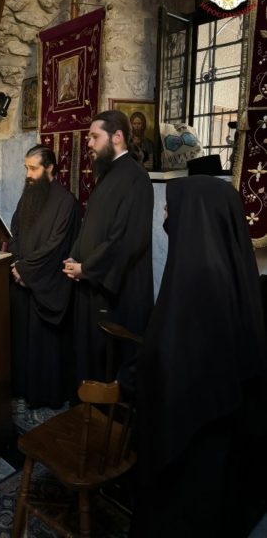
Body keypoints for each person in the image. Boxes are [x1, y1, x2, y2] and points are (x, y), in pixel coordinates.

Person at [132, 176, 267, 537]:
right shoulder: (225, 265)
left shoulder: (199, 277)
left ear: (195, 214)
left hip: (192, 438)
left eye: (171, 206)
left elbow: (176, 365)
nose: (165, 211)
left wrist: (137, 371)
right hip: (222, 435)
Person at [63, 109, 153, 393]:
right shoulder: (108, 174)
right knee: (88, 353)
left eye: (94, 137)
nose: (88, 143)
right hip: (92, 280)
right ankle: (87, 409)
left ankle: (105, 417)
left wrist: (87, 268)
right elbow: (90, 224)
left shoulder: (136, 178)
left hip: (116, 288)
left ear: (117, 137)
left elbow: (126, 239)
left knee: (108, 360)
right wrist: (75, 256)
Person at [9, 145, 81, 409]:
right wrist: (17, 263)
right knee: (21, 341)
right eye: (26, 168)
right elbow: (15, 232)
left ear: (49, 168)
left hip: (46, 285)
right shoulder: (28, 196)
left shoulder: (66, 202)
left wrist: (25, 270)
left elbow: (57, 246)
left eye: (33, 168)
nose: (28, 174)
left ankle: (44, 395)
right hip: (23, 280)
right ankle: (21, 389)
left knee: (44, 345)